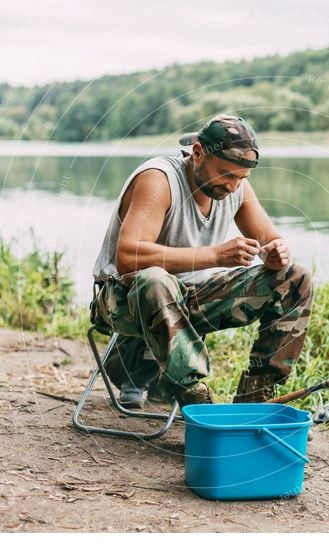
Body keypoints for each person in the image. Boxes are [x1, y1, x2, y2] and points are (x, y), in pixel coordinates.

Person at [90, 114, 313, 408]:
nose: (233, 186)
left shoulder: (237, 186)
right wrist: (216, 255)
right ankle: (195, 399)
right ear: (197, 153)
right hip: (124, 300)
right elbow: (128, 257)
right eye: (226, 175)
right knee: (154, 279)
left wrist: (276, 252)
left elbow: (271, 240)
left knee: (294, 278)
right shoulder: (158, 180)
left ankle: (254, 399)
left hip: (191, 299)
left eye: (241, 178)